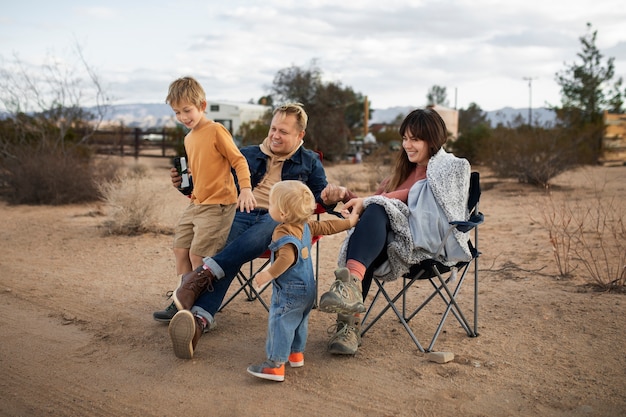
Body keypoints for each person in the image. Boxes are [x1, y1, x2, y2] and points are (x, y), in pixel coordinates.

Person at [162, 103, 349, 359]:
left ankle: (197, 286)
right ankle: (197, 322)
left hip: (280, 222)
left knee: (271, 225)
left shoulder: (310, 162)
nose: (275, 135)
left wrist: (329, 198)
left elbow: (317, 198)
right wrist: (185, 186)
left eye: (283, 131)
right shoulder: (246, 154)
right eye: (273, 128)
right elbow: (212, 184)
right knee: (227, 247)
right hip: (240, 212)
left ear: (300, 135)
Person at [318, 107, 473, 355]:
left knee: (378, 210)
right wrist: (347, 196)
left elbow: (423, 198)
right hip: (390, 244)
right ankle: (348, 322)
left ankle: (349, 293)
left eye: (415, 139)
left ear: (433, 140)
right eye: (405, 138)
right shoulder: (398, 177)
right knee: (373, 221)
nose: (407, 145)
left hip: (427, 247)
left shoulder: (450, 169)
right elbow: (372, 217)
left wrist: (374, 200)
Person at [156, 76, 255, 324]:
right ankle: (182, 299)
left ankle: (192, 306)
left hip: (219, 205)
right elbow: (199, 173)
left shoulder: (215, 131)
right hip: (197, 203)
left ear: (202, 105)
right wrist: (182, 183)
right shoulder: (189, 138)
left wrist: (245, 189)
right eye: (177, 112)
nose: (183, 117)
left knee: (199, 256)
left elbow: (238, 160)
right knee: (181, 248)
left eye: (187, 110)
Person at [246, 181, 359, 382]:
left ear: (283, 214)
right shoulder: (305, 226)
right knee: (299, 320)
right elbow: (328, 225)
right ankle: (295, 354)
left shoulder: (283, 231)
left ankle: (275, 365)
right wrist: (349, 223)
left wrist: (268, 274)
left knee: (281, 322)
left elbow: (286, 258)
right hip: (308, 288)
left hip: (290, 289)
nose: (268, 207)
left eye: (271, 204)